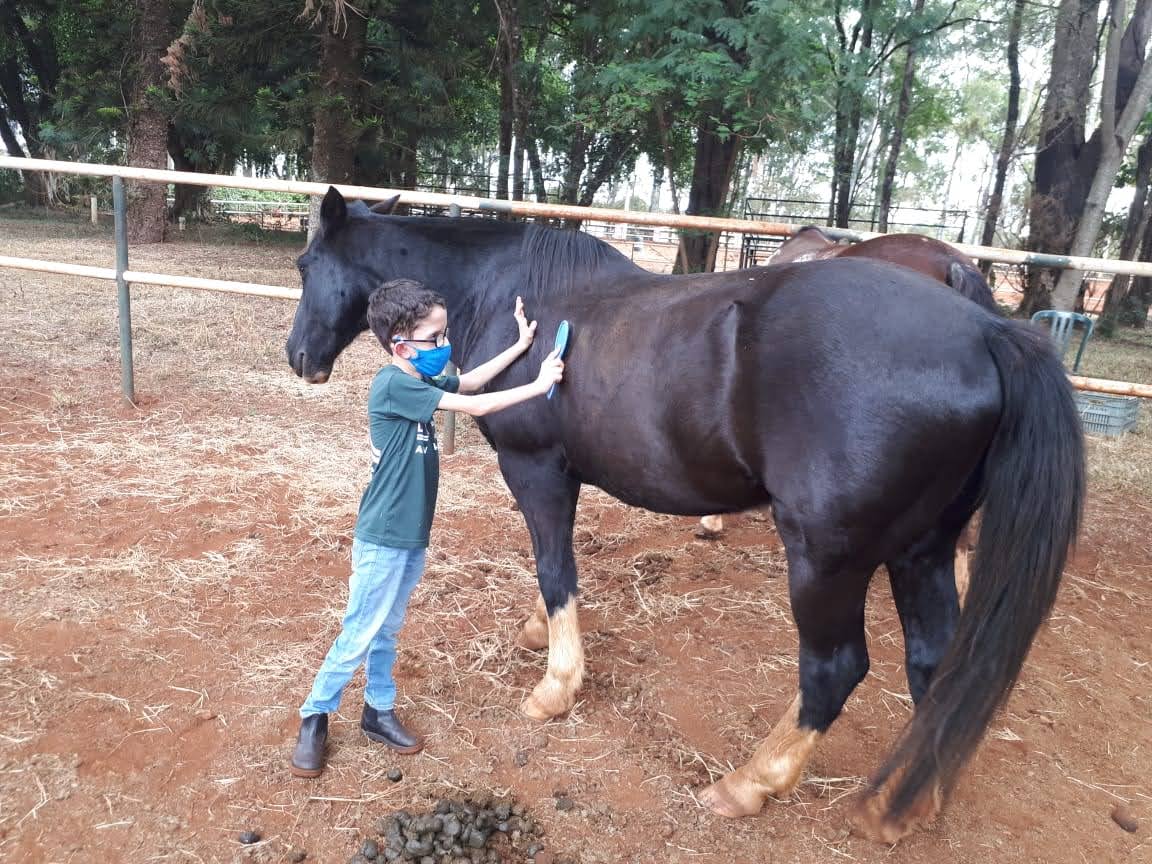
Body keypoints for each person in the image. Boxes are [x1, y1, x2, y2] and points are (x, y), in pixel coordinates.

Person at [291, 278, 564, 778]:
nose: (444, 345)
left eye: (444, 334)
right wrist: (538, 383)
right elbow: (477, 406)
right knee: (361, 631)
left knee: (386, 629)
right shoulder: (393, 385)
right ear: (401, 346)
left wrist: (521, 346)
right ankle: (315, 714)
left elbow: (471, 382)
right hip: (383, 536)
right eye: (434, 338)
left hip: (409, 535)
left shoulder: (418, 380)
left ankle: (377, 710)